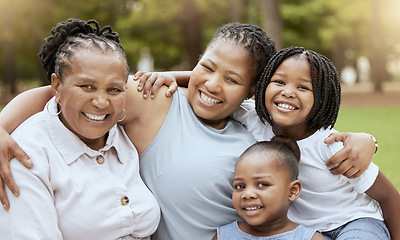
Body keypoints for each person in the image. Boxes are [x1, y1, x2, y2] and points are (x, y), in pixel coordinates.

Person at [0, 23, 377, 240]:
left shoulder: (255, 122)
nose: (213, 85)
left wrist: (365, 141)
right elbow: (66, 91)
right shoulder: (155, 98)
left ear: (250, 91)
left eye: (231, 79)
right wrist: (0, 128)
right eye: (206, 67)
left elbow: (315, 139)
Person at [0, 18, 160, 239]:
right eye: (87, 86)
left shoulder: (122, 131)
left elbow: (209, 83)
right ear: (57, 86)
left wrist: (176, 78)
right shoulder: (27, 155)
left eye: (113, 89)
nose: (102, 102)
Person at [233, 46, 400, 239]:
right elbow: (209, 86)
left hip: (355, 221)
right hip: (306, 231)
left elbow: (389, 198)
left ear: (321, 99)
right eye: (279, 81)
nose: (287, 92)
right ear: (263, 86)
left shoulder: (331, 145)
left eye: (303, 87)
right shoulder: (252, 118)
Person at [213, 136, 324, 240]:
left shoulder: (309, 238)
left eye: (262, 184)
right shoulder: (223, 236)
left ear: (292, 191)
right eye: (240, 186)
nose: (247, 194)